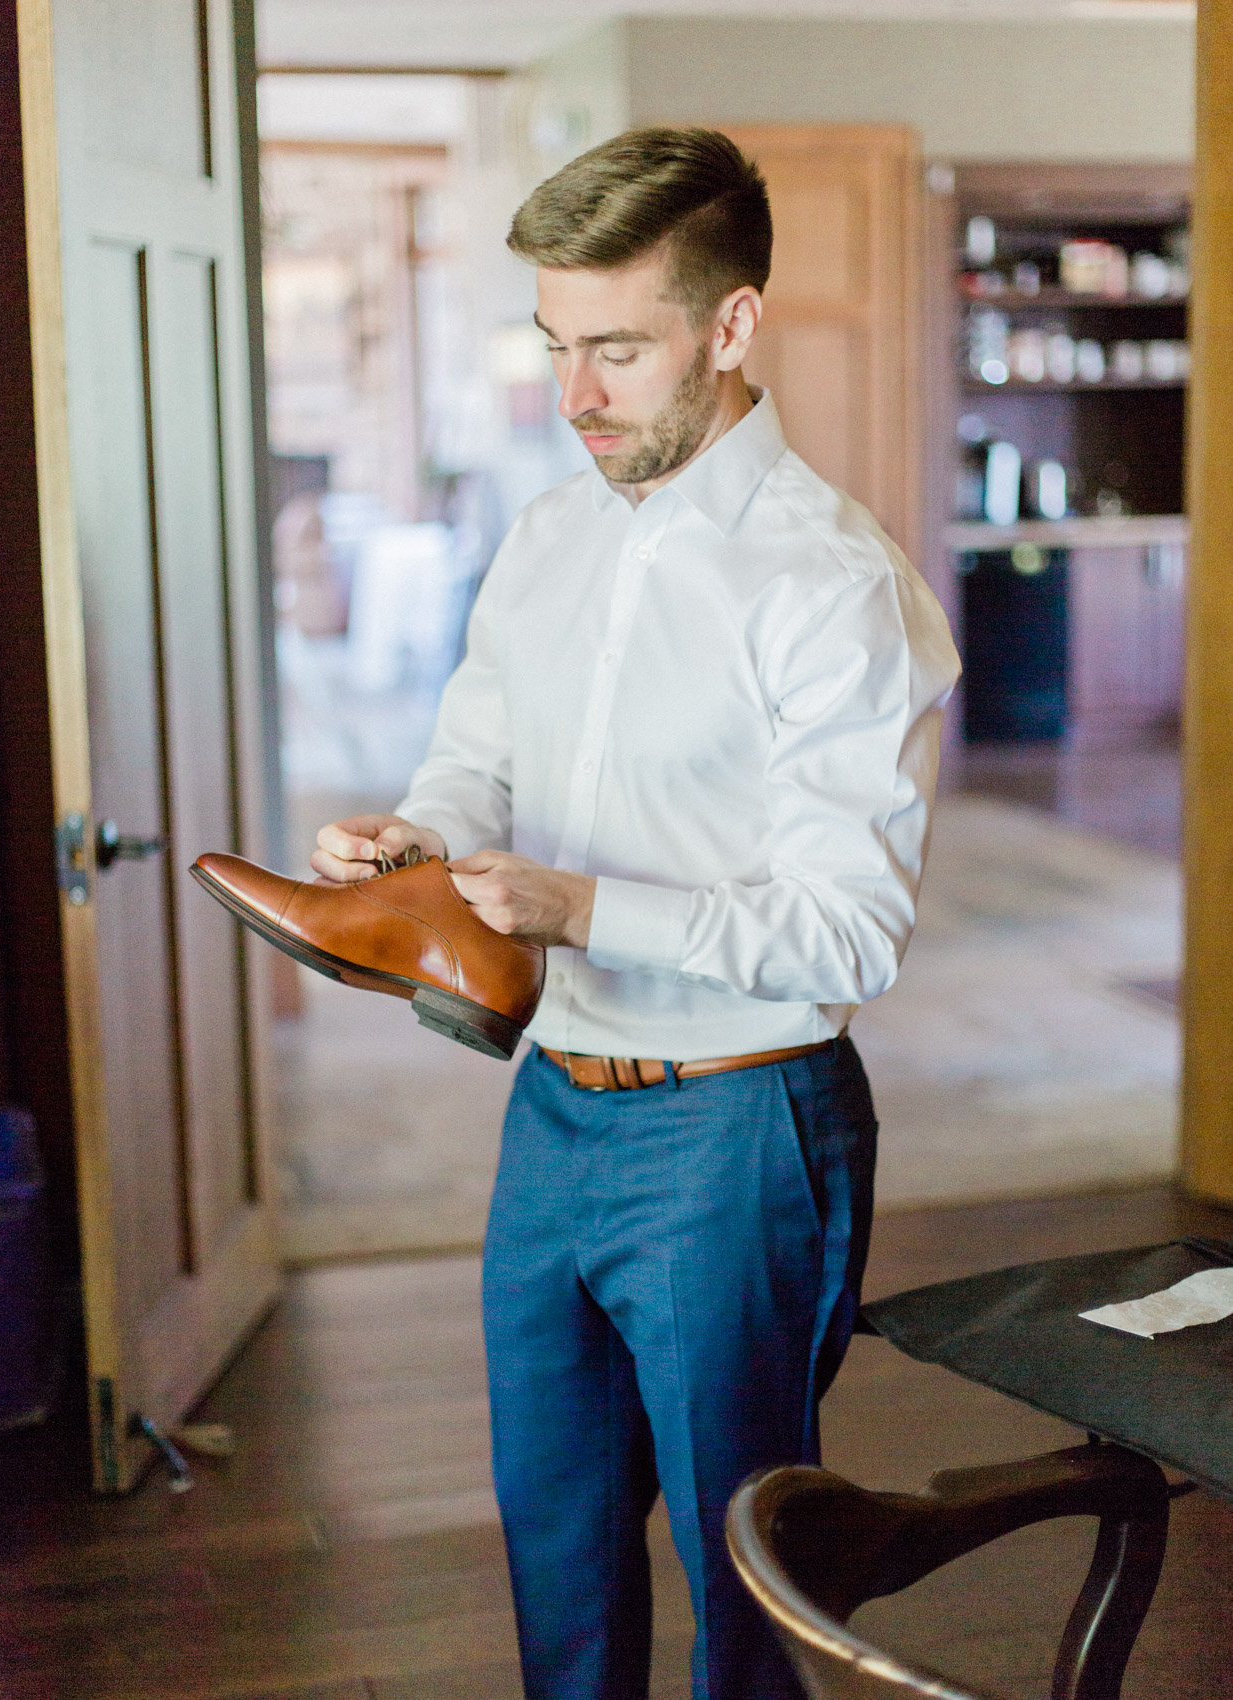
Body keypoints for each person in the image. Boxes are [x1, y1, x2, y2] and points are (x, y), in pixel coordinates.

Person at [311, 127, 960, 1700]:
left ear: (731, 328)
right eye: (555, 347)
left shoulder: (832, 587)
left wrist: (579, 904)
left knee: (751, 1591)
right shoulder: (543, 540)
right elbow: (477, 761)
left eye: (617, 347)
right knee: (558, 1562)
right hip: (554, 1120)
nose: (575, 394)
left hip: (741, 1135)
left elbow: (848, 933)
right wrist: (419, 836)